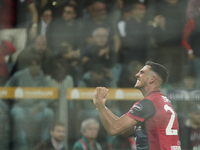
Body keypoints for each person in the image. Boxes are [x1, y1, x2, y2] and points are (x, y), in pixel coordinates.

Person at [93, 61, 181, 150]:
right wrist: (102, 106)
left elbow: (113, 129)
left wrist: (99, 104)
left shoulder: (148, 104)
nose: (136, 75)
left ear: (152, 79)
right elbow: (124, 131)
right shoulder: (163, 102)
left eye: (142, 72)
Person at [7, 55, 54, 150]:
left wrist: (39, 106)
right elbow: (6, 90)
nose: (35, 67)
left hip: (36, 110)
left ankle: (43, 141)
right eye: (32, 65)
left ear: (40, 66)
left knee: (49, 113)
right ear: (28, 66)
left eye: (37, 65)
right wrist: (14, 98)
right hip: (21, 107)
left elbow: (46, 97)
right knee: (17, 113)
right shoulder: (18, 75)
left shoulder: (43, 79)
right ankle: (22, 141)